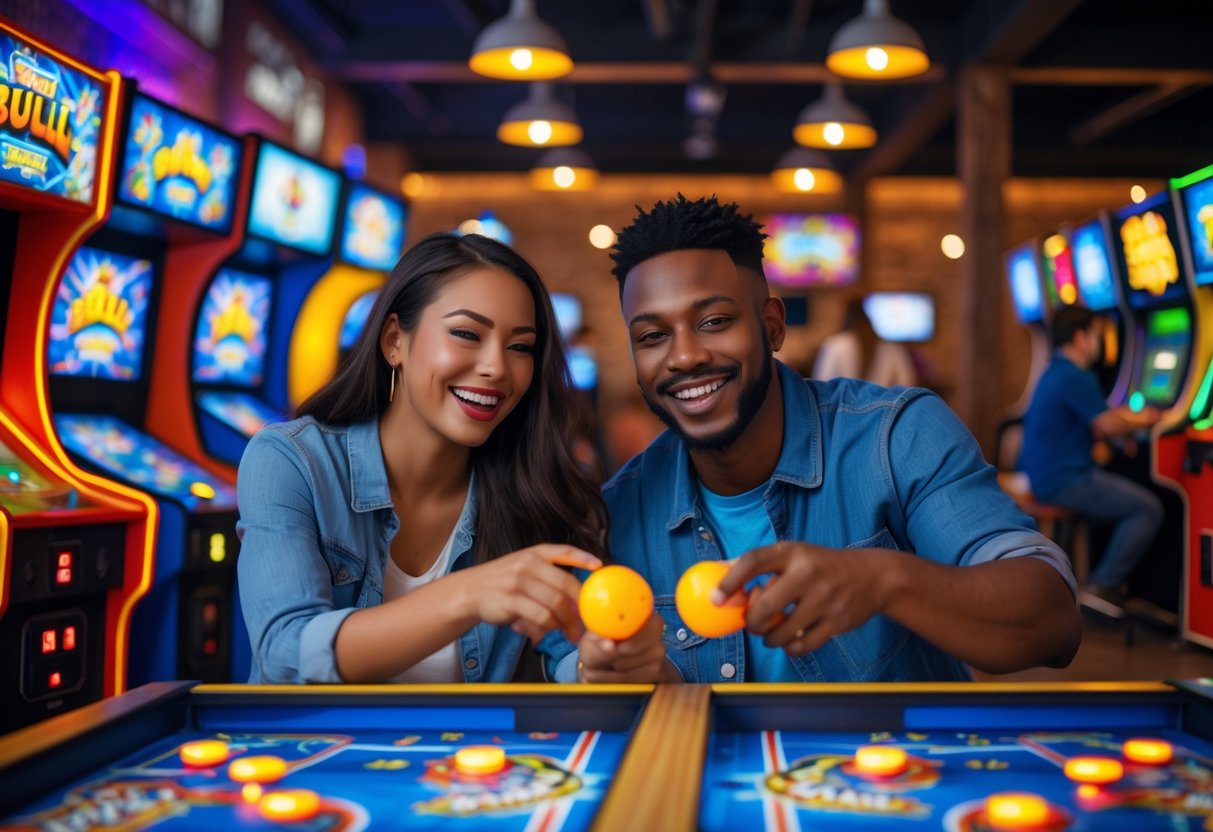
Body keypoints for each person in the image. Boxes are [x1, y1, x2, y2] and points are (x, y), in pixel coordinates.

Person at [572, 194, 1080, 684]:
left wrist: (883, 579)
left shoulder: (897, 437)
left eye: (714, 322)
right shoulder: (621, 508)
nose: (684, 357)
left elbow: (1051, 625)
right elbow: (572, 662)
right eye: (652, 336)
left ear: (771, 327)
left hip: (898, 769)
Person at [237, 232, 607, 684]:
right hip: (311, 752)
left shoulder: (532, 487)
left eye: (520, 347)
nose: (496, 367)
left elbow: (573, 651)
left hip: (461, 755)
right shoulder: (293, 461)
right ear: (394, 340)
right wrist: (467, 595)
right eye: (467, 334)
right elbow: (286, 652)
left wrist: (607, 663)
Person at [1019, 304, 1164, 618]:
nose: (1100, 342)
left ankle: (1103, 584)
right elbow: (1108, 423)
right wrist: (1147, 419)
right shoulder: (1075, 376)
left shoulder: (1056, 371)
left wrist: (1121, 429)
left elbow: (1100, 423)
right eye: (1097, 334)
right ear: (1081, 337)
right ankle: (1101, 587)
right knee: (1147, 508)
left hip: (1045, 476)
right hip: (1064, 480)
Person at [813, 297, 917, 388]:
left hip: (843, 408)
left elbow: (822, 383)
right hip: (885, 408)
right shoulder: (891, 347)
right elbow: (907, 382)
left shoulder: (835, 344)